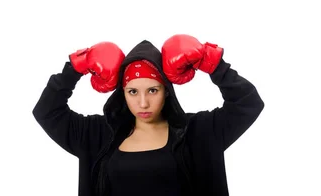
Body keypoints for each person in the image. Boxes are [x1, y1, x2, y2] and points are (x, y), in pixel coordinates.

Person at [32, 34, 264, 196]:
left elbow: (247, 103)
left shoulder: (200, 132)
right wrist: (75, 68)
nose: (143, 102)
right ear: (122, 93)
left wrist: (212, 63)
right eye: (133, 91)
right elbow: (47, 111)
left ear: (166, 91)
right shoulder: (96, 134)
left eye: (153, 90)